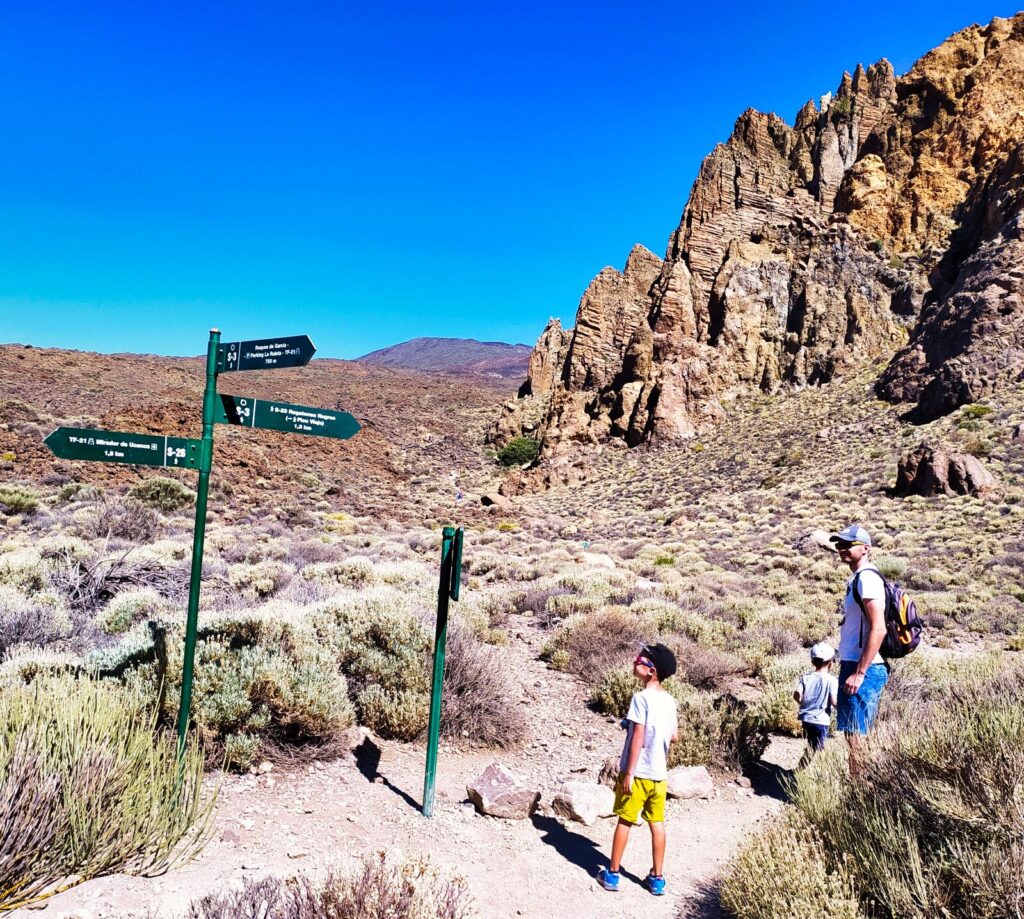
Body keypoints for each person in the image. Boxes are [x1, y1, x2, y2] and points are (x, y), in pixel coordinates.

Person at [597, 643, 678, 896]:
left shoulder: (640, 698)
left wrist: (629, 772)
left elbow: (639, 737)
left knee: (625, 820)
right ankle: (657, 878)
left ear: (651, 671)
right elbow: (674, 736)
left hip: (638, 772)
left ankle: (612, 873)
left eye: (640, 659)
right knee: (657, 823)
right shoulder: (669, 700)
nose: (635, 661)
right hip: (659, 775)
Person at [829, 523, 888, 774]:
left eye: (847, 544)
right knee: (854, 733)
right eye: (839, 545)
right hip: (855, 663)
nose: (841, 549)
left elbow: (879, 628)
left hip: (865, 667)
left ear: (865, 548)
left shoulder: (867, 579)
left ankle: (861, 791)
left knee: (856, 735)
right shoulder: (858, 578)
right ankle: (860, 788)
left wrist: (859, 672)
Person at [793, 641, 839, 768]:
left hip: (806, 718)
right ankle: (800, 770)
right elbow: (834, 701)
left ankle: (800, 769)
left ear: (813, 662)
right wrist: (844, 709)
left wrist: (803, 703)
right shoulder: (832, 680)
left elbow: (797, 694)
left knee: (812, 744)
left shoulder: (806, 677)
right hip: (821, 720)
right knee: (816, 748)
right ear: (830, 664)